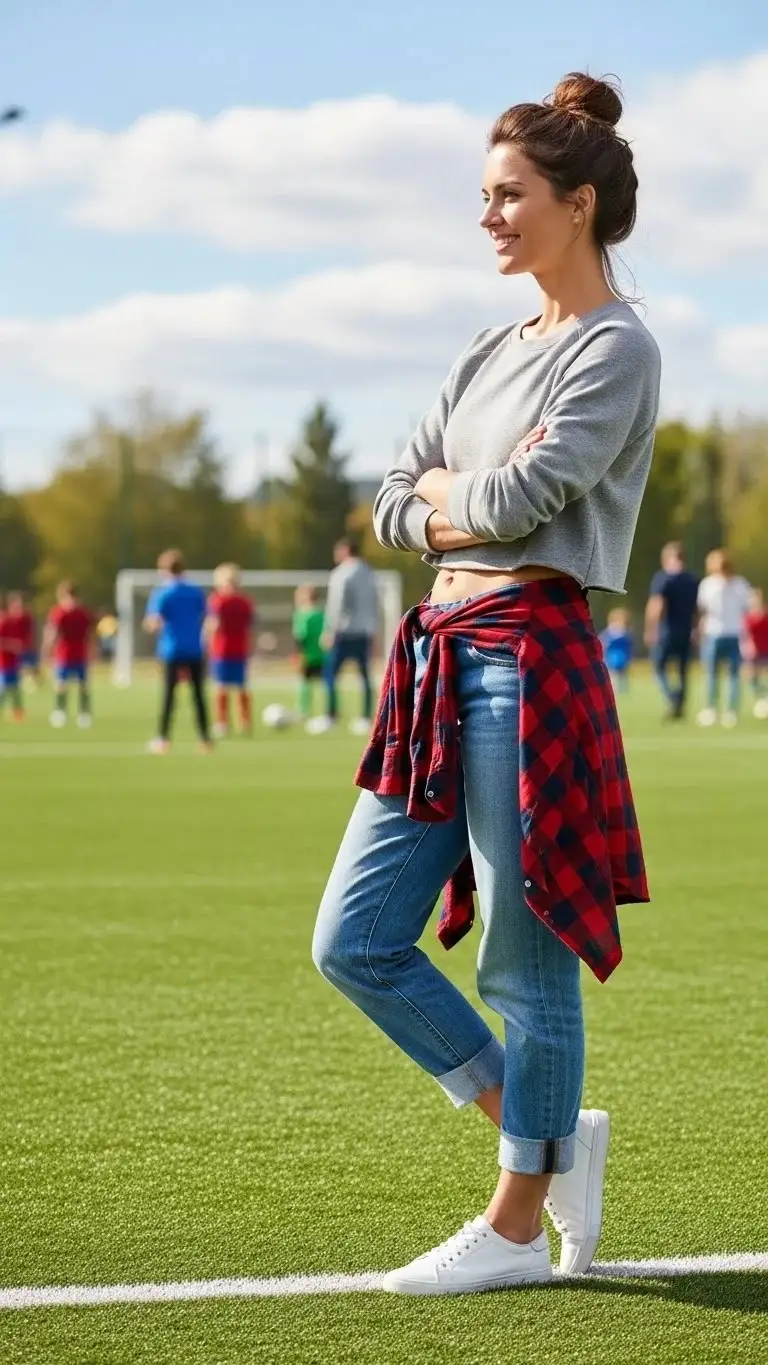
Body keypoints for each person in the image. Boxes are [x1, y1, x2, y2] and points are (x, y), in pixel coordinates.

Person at [312, 72, 660, 1295]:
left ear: (577, 204)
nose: (489, 217)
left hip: (527, 666)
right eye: (484, 196)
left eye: (509, 195)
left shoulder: (617, 348)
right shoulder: (485, 349)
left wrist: (447, 498)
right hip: (438, 660)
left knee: (524, 961)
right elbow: (391, 496)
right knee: (355, 940)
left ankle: (516, 1226)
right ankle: (548, 1138)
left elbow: (519, 500)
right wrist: (449, 504)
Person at [306, 539, 379, 737]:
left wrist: (330, 630)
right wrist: (373, 630)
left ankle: (330, 715)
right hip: (364, 631)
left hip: (343, 632)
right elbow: (374, 603)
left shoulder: (341, 573)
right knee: (364, 676)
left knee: (330, 674)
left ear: (345, 551)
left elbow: (336, 604)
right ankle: (365, 717)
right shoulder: (369, 573)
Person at [143, 549, 211, 753]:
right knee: (198, 695)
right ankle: (205, 739)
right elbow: (207, 617)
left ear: (164, 569)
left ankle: (163, 738)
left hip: (171, 649)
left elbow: (154, 621)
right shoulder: (196, 591)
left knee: (169, 696)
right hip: (194, 648)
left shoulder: (163, 592)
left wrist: (149, 625)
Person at [696, 549, 751, 728]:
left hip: (716, 633)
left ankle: (711, 709)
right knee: (732, 674)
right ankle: (730, 712)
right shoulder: (741, 584)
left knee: (713, 673)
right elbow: (747, 607)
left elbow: (702, 609)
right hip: (733, 633)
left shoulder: (708, 584)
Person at [645, 542, 699, 719]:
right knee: (683, 669)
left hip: (667, 630)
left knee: (659, 666)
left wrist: (651, 629)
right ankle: (680, 703)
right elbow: (697, 609)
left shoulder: (664, 578)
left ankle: (671, 696)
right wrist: (696, 629)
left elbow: (658, 605)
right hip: (686, 630)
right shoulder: (692, 579)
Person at [206, 564, 255, 738]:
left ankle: (222, 723)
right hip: (240, 648)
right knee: (241, 686)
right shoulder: (246, 602)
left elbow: (214, 625)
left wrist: (207, 641)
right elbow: (249, 626)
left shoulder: (218, 601)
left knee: (221, 686)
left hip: (222, 649)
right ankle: (245, 722)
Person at [44, 582, 94, 728]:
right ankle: (84, 714)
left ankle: (60, 712)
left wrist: (47, 648)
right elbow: (90, 634)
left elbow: (53, 632)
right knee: (83, 685)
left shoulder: (59, 612)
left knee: (61, 684)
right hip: (81, 652)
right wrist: (93, 651)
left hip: (64, 653)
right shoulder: (83, 612)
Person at [292, 584, 326, 721]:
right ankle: (328, 711)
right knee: (325, 683)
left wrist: (298, 654)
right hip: (322, 654)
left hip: (306, 655)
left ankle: (303, 710)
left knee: (305, 682)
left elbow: (300, 636)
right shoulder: (322, 614)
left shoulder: (302, 615)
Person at [0, 593, 27, 721]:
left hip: (14, 662)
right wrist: (12, 645)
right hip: (3, 662)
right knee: (4, 689)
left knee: (16, 689)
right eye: (16, 606)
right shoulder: (3, 621)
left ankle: (18, 715)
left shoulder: (16, 622)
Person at [743, 587, 768, 720]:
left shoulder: (765, 614)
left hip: (766, 649)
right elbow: (745, 634)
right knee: (751, 678)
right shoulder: (746, 616)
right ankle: (763, 697)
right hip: (754, 652)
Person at [8, 592, 40, 686]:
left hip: (26, 646)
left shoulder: (26, 617)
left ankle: (31, 683)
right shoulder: (9, 619)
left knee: (31, 668)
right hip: (14, 649)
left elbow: (33, 631)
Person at [599, 608, 633, 694]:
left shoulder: (625, 634)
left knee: (620, 677)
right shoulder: (610, 633)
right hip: (612, 659)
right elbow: (602, 644)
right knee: (614, 677)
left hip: (621, 659)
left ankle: (621, 691)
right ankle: (615, 691)